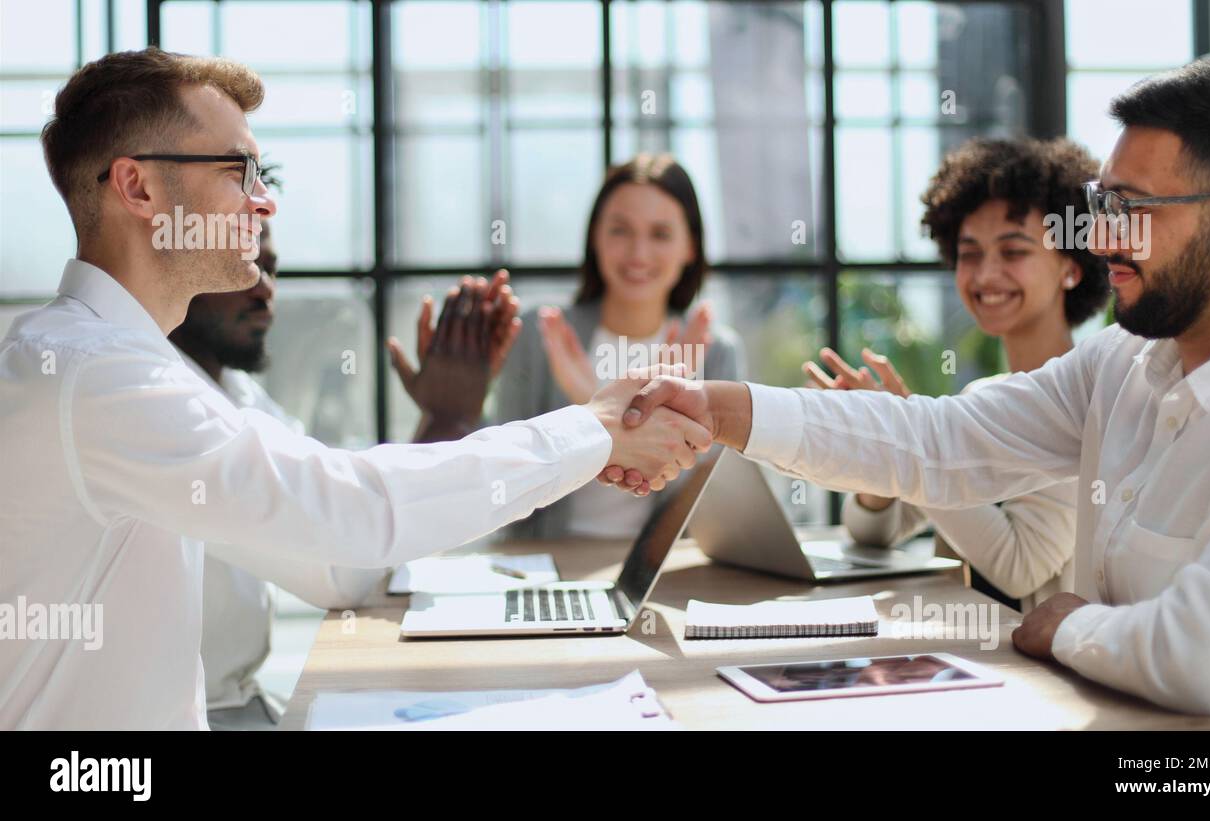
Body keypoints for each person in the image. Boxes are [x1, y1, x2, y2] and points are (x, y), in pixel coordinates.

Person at [0, 48, 706, 729]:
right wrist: (596, 426)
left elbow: (336, 559)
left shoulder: (129, 366)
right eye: (239, 171)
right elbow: (351, 510)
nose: (265, 201)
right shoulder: (91, 373)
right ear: (139, 187)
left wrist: (481, 418)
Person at [611, 59, 1210, 729]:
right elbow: (941, 441)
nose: (1099, 235)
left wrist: (1071, 625)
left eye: (1133, 209)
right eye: (1102, 203)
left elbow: (1208, 657)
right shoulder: (1121, 362)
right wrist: (719, 407)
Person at [169, 219, 522, 729]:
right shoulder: (176, 401)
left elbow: (345, 508)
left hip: (237, 704)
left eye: (269, 269)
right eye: (245, 268)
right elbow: (345, 564)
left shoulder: (237, 389)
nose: (266, 291)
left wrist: (447, 418)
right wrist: (448, 419)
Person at [804, 137, 1109, 611]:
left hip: (1033, 673)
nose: (985, 275)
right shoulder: (983, 395)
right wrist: (887, 449)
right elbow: (870, 534)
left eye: (1013, 252)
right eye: (969, 253)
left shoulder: (1084, 404)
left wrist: (906, 435)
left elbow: (1018, 565)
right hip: (959, 656)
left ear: (1071, 268)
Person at [487, 153, 744, 539]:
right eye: (620, 230)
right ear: (596, 236)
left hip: (656, 571)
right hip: (547, 560)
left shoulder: (715, 350)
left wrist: (605, 406)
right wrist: (593, 413)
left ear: (690, 247)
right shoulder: (542, 334)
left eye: (660, 234)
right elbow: (503, 472)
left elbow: (711, 505)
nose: (638, 253)